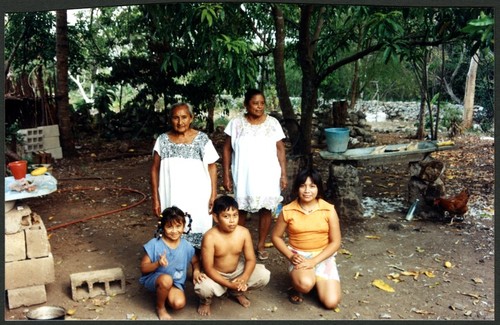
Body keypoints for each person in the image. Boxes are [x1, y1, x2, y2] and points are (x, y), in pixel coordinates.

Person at [222, 88, 288, 260]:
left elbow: (280, 149)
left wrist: (283, 174)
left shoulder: (273, 123)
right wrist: (226, 175)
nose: (259, 107)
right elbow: (227, 149)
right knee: (241, 209)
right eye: (255, 103)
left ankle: (260, 244)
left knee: (266, 208)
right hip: (244, 175)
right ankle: (239, 244)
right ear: (246, 105)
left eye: (262, 103)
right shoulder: (236, 124)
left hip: (268, 173)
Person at [151, 102, 219, 249]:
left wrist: (213, 194)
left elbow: (212, 167)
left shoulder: (202, 140)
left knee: (200, 231)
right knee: (172, 229)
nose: (180, 122)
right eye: (175, 118)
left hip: (198, 196)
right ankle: (175, 268)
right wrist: (156, 198)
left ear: (191, 118)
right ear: (170, 119)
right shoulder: (162, 140)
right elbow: (154, 170)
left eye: (184, 117)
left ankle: (199, 268)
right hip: (171, 194)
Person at [271, 168, 342, 309]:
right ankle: (297, 286)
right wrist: (291, 256)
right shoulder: (288, 210)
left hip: (322, 256)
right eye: (302, 186)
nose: (307, 190)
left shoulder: (328, 209)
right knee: (305, 285)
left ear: (318, 188)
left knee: (331, 303)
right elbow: (276, 237)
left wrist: (314, 261)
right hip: (300, 256)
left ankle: (317, 281)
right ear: (297, 188)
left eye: (312, 186)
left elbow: (336, 242)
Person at [194, 195, 270, 316]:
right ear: (216, 217)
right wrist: (230, 284)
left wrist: (244, 278)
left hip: (237, 271)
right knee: (203, 288)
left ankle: (236, 292)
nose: (232, 220)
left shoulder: (243, 232)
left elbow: (251, 260)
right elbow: (208, 268)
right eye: (226, 216)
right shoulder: (210, 237)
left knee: (264, 275)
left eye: (235, 215)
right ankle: (205, 301)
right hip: (216, 274)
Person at [139, 206, 206, 320]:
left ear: (184, 226)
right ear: (162, 227)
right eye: (169, 227)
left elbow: (195, 261)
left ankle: (164, 293)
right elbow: (143, 268)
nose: (174, 231)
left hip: (175, 282)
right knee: (166, 280)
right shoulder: (155, 244)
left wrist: (196, 271)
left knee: (178, 304)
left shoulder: (186, 245)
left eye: (178, 226)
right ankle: (160, 307)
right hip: (156, 279)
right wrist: (157, 264)